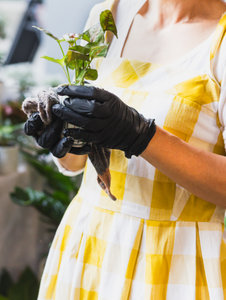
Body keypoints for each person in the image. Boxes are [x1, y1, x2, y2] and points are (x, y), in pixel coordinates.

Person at [25, 0, 226, 298]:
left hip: (174, 261)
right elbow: (77, 164)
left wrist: (142, 136)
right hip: (88, 247)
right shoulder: (106, 16)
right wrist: (60, 140)